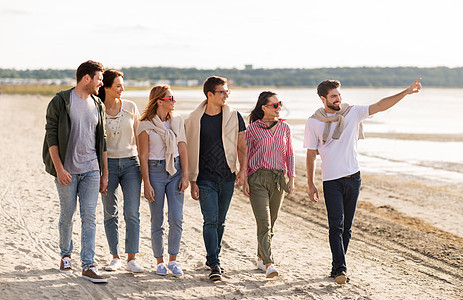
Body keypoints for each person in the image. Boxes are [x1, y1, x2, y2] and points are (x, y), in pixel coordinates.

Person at [304, 78, 422, 284]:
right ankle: (341, 269)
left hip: (354, 178)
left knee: (347, 227)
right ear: (323, 99)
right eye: (333, 96)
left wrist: (405, 92)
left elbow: (380, 105)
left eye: (339, 95)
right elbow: (311, 154)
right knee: (335, 226)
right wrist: (310, 183)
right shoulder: (314, 121)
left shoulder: (352, 113)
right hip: (331, 180)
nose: (338, 99)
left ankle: (336, 268)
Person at [42, 60, 108, 283]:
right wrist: (59, 168)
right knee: (67, 215)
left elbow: (103, 141)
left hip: (91, 169)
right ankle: (65, 255)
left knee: (89, 217)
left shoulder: (98, 104)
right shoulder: (61, 100)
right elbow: (51, 135)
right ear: (86, 78)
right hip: (67, 170)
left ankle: (88, 265)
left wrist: (104, 173)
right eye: (99, 79)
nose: (102, 83)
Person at [184, 76, 247, 281]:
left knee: (221, 221)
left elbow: (242, 146)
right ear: (210, 94)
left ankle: (213, 256)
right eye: (222, 92)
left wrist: (243, 171)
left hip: (227, 176)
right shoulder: (194, 119)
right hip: (204, 178)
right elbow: (191, 151)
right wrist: (193, 181)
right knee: (210, 220)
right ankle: (214, 262)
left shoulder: (235, 116)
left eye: (227, 91)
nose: (226, 95)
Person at [138, 85, 189, 277]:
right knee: (157, 220)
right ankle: (159, 262)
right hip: (155, 172)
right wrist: (147, 183)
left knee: (176, 218)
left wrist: (186, 175)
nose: (174, 101)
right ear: (159, 101)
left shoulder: (177, 120)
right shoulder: (145, 124)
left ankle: (173, 261)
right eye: (170, 98)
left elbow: (182, 148)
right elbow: (142, 156)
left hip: (175, 171)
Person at [243, 91, 295, 278]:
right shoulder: (252, 129)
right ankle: (269, 263)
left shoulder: (285, 128)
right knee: (263, 223)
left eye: (279, 103)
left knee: (271, 224)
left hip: (279, 180)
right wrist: (244, 180)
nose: (278, 107)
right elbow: (246, 155)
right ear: (264, 107)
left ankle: (259, 257)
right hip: (257, 179)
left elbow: (289, 154)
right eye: (275, 104)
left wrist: (292, 178)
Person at [98, 69, 144, 273]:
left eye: (122, 85)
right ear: (106, 87)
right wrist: (101, 171)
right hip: (107, 166)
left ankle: (131, 258)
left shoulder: (131, 107)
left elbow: (141, 139)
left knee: (132, 212)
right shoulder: (97, 108)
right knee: (110, 213)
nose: (122, 89)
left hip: (131, 165)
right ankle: (114, 257)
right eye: (118, 85)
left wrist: (145, 168)